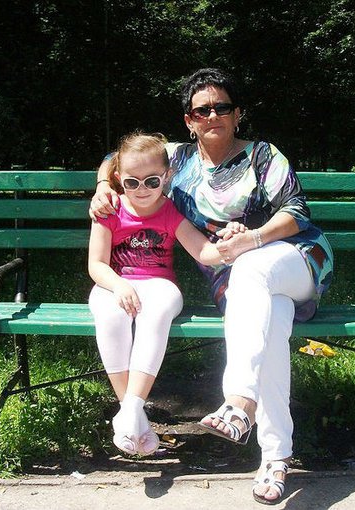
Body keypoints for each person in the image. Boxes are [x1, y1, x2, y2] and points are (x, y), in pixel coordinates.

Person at [90, 69, 334, 504]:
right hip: (237, 282)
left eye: (222, 107)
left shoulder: (262, 155)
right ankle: (276, 457)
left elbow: (297, 211)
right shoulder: (176, 159)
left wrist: (253, 239)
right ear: (189, 120)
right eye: (201, 110)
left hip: (293, 258)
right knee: (272, 321)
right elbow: (117, 157)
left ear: (237, 114)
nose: (212, 116)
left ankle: (239, 402)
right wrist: (100, 188)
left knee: (252, 270)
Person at [88, 131, 232, 457]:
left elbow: (202, 251)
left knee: (158, 311)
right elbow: (96, 265)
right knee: (109, 315)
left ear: (167, 177)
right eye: (132, 182)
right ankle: (134, 416)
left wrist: (229, 246)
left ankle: (128, 411)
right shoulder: (109, 211)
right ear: (118, 179)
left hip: (158, 284)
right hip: (113, 282)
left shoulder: (169, 211)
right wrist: (119, 285)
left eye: (152, 181)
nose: (142, 190)